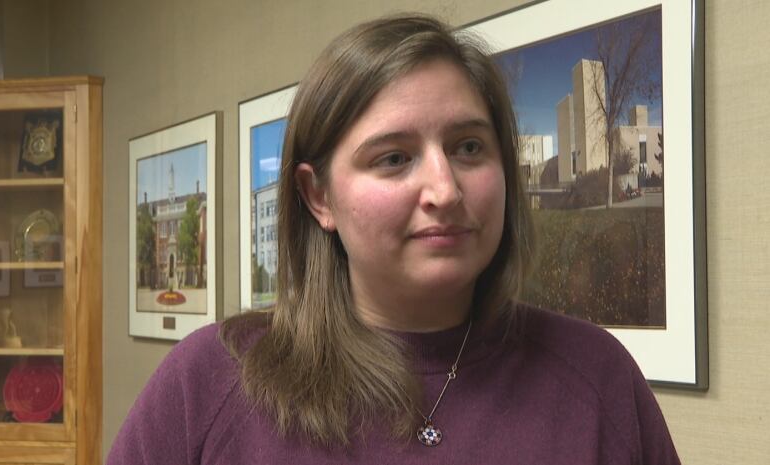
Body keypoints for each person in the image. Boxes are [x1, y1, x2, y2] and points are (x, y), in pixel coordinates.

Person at [107, 14, 680, 464]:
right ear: (319, 198)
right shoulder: (209, 383)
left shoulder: (597, 378)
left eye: (469, 147)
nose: (445, 189)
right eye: (394, 158)